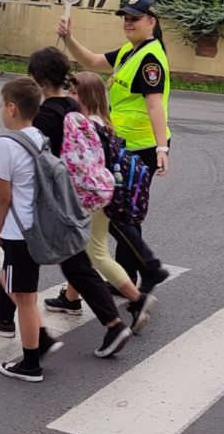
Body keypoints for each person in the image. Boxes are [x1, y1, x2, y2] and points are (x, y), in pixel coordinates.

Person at [0, 47, 132, 359]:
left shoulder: (44, 117)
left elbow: (26, 166)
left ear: (36, 78)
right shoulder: (73, 105)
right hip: (70, 196)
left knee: (34, 266)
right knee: (72, 264)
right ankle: (9, 318)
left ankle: (35, 332)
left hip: (45, 205)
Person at [49, 0, 170, 304]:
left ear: (151, 21)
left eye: (135, 18)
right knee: (117, 212)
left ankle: (145, 269)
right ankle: (128, 276)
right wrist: (68, 38)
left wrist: (161, 147)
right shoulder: (131, 51)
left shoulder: (150, 59)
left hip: (140, 146)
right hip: (121, 143)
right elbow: (92, 61)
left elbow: (154, 105)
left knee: (115, 212)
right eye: (125, 18)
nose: (128, 23)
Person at [65, 70, 157, 332]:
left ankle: (138, 300)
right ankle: (70, 298)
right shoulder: (102, 122)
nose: (69, 97)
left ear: (86, 96)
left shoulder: (88, 126)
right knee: (80, 251)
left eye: (74, 93)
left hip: (93, 198)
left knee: (97, 254)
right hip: (103, 195)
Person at [0, 76, 62, 383]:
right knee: (10, 280)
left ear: (12, 108)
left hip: (19, 233)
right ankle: (41, 339)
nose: (1, 111)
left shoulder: (6, 144)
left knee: (26, 299)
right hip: (37, 227)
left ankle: (31, 363)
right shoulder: (40, 138)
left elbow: (2, 196)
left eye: (2, 105)